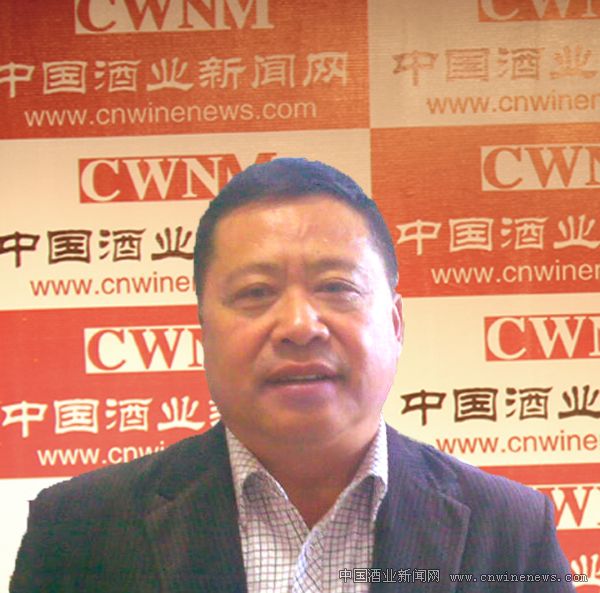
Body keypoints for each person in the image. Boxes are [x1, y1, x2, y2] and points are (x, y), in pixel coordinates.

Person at [11, 158, 573, 592]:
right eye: (256, 292)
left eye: (336, 287)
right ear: (203, 330)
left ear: (396, 323)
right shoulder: (80, 530)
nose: (300, 326)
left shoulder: (510, 529)